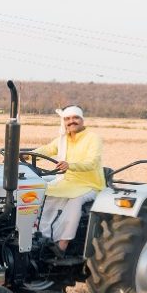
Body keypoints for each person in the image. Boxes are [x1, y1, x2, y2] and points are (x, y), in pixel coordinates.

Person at [33, 105, 105, 253]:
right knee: (44, 194)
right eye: (67, 119)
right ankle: (41, 236)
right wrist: (26, 154)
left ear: (82, 120)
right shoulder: (63, 140)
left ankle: (62, 244)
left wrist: (70, 165)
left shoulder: (93, 138)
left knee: (75, 201)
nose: (71, 121)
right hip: (68, 183)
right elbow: (47, 149)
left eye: (75, 118)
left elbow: (92, 162)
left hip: (90, 184)